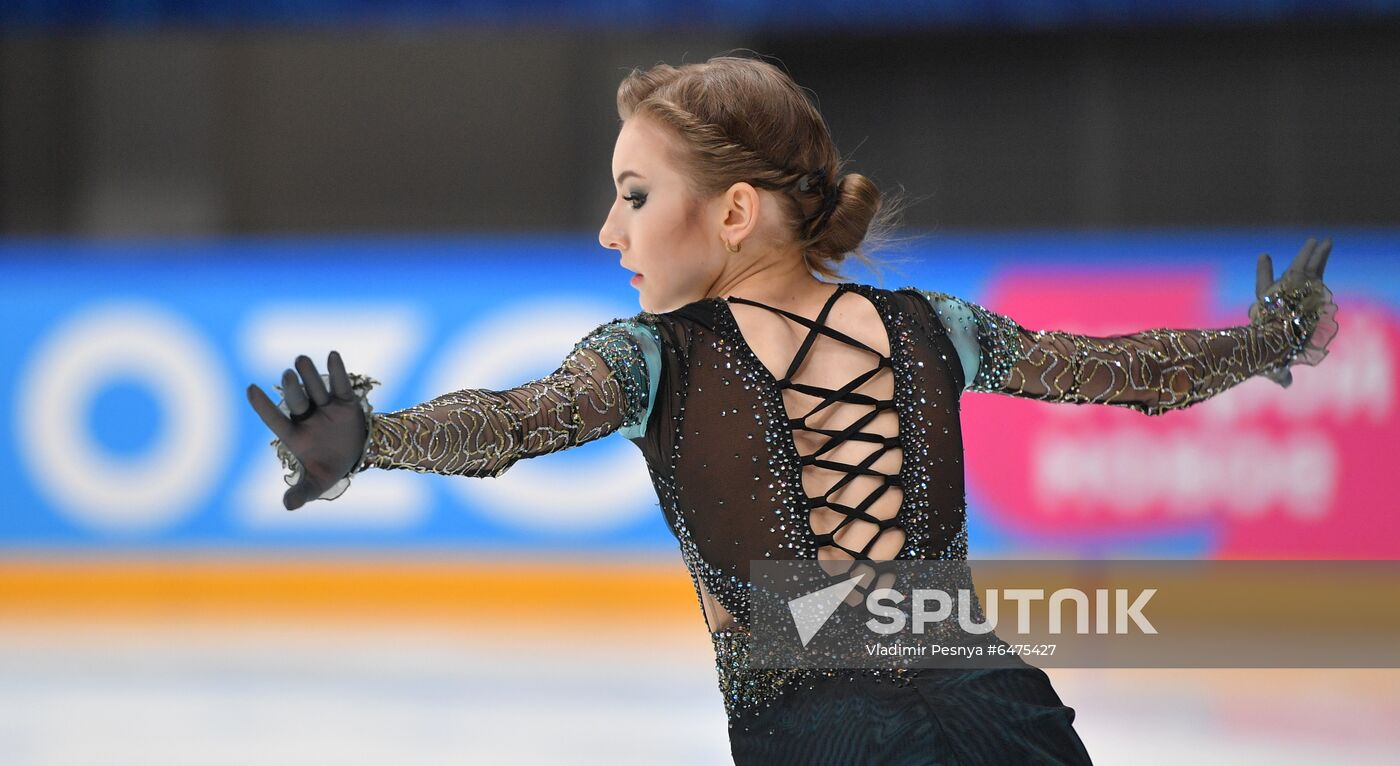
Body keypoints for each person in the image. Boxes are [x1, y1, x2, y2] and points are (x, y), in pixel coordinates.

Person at [247, 56, 1337, 765]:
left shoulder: (646, 359)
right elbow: (1121, 369)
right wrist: (1267, 339)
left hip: (823, 735)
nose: (608, 231)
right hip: (1004, 714)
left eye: (633, 194)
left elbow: (520, 420)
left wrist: (375, 441)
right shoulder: (931, 325)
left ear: (731, 209)